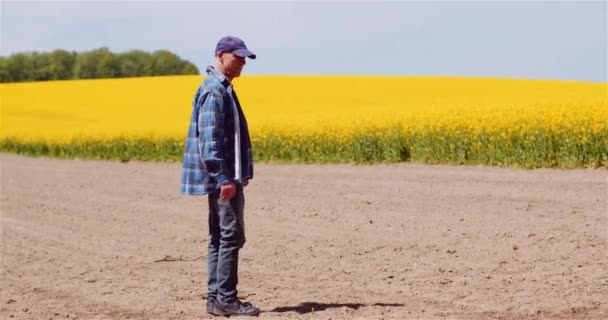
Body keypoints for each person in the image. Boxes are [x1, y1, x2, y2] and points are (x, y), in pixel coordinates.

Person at [181, 36, 259, 317]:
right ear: (221, 55)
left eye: (244, 59)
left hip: (226, 174)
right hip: (222, 177)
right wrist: (224, 177)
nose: (242, 63)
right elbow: (211, 140)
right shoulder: (215, 90)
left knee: (219, 236)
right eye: (237, 57)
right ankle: (226, 299)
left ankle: (216, 299)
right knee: (231, 235)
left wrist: (239, 172)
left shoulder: (221, 87)